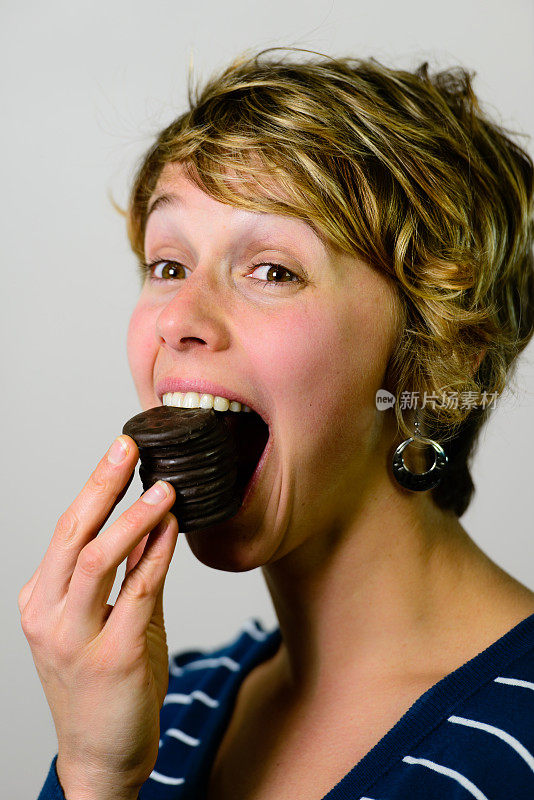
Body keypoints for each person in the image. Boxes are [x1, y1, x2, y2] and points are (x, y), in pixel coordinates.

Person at [20, 47, 534, 800]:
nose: (181, 320)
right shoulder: (151, 711)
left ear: (432, 358)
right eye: (168, 264)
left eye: (273, 270)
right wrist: (96, 775)